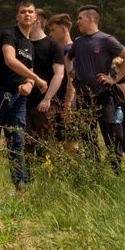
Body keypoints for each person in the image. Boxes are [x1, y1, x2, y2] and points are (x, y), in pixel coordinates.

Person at [0, 1, 48, 191]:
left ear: (36, 18)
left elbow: (28, 68)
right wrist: (36, 79)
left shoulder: (30, 45)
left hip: (17, 98)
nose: (27, 15)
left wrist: (29, 84)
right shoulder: (9, 35)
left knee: (17, 142)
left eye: (31, 12)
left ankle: (21, 187)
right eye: (23, 12)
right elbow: (10, 60)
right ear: (17, 16)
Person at [65, 5, 125, 172]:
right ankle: (94, 171)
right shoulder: (78, 42)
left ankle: (116, 172)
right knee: (87, 137)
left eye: (80, 18)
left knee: (111, 135)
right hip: (83, 98)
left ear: (91, 18)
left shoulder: (106, 39)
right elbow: (67, 58)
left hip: (103, 96)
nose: (77, 22)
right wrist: (71, 72)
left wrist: (115, 79)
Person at [24, 9, 65, 165]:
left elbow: (59, 74)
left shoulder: (53, 45)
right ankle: (26, 181)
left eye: (29, 21)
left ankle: (45, 179)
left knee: (46, 145)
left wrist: (47, 98)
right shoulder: (22, 44)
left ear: (37, 22)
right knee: (25, 145)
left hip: (44, 105)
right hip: (23, 103)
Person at [46, 13, 77, 150]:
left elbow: (72, 81)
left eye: (53, 30)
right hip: (58, 103)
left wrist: (68, 105)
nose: (50, 33)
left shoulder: (71, 50)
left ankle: (79, 171)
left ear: (64, 29)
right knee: (56, 143)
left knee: (71, 145)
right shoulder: (59, 50)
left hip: (66, 104)